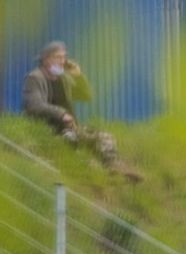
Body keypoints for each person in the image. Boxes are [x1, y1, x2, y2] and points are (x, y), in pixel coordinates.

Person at [22, 41, 140, 181]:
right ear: (46, 59)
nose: (62, 61)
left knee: (104, 137)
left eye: (64, 57)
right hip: (49, 131)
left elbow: (86, 96)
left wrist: (78, 76)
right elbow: (34, 105)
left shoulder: (63, 78)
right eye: (58, 57)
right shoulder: (34, 78)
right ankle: (101, 178)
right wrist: (61, 113)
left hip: (70, 129)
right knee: (84, 160)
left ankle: (115, 168)